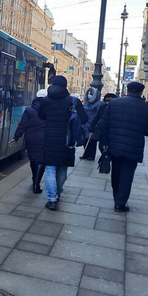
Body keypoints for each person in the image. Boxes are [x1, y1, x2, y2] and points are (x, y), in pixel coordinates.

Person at [99, 81, 148, 212]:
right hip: (133, 147)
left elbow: (104, 125)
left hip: (114, 145)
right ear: (141, 92)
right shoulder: (147, 108)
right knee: (127, 175)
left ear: (127, 90)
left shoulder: (114, 103)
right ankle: (120, 203)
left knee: (116, 172)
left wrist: (104, 143)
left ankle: (116, 196)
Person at [38, 75, 88, 210]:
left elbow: (41, 116)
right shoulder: (73, 101)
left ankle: (52, 199)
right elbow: (84, 119)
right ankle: (58, 192)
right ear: (65, 86)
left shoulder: (46, 100)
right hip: (68, 140)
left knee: (50, 168)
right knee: (62, 167)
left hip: (50, 139)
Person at [11, 88, 47, 193]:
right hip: (45, 138)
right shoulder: (49, 109)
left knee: (33, 159)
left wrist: (16, 136)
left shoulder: (29, 109)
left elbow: (23, 124)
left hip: (30, 138)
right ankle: (36, 184)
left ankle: (34, 178)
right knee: (41, 160)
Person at [80, 87, 103, 161]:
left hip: (93, 124)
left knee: (92, 141)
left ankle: (91, 155)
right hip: (85, 124)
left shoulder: (99, 104)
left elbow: (99, 115)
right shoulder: (86, 103)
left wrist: (96, 125)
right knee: (85, 140)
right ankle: (85, 154)